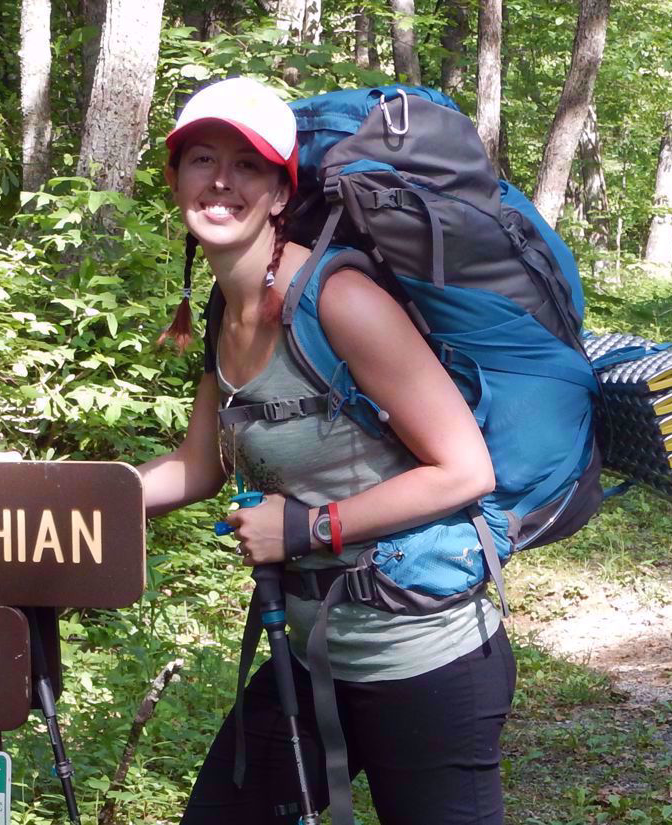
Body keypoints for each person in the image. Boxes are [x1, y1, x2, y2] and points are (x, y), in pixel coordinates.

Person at [136, 77, 518, 824]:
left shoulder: (339, 301)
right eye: (201, 159)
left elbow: (466, 468)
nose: (221, 180)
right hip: (312, 657)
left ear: (281, 193)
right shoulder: (227, 309)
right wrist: (47, 492)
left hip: (427, 657)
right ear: (175, 178)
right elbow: (197, 466)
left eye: (248, 166)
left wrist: (307, 528)